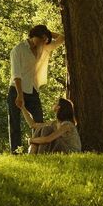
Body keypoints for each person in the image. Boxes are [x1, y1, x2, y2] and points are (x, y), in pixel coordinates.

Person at [7, 24, 65, 154]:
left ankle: (38, 150)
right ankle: (16, 153)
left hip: (33, 90)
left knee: (39, 121)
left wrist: (48, 34)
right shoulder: (18, 50)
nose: (43, 42)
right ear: (34, 36)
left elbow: (62, 38)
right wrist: (19, 95)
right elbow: (16, 75)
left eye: (45, 40)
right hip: (17, 90)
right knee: (15, 123)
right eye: (41, 39)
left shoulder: (43, 47)